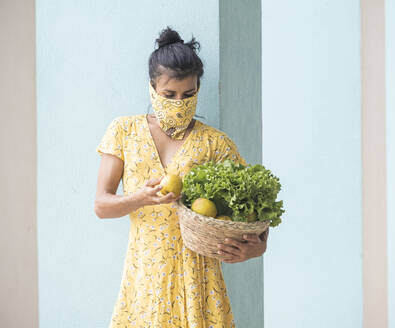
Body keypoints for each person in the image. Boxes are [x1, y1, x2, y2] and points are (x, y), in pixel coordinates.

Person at [94, 26, 269, 327]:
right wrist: (140, 198)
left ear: (199, 88)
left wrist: (260, 245)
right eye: (169, 94)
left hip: (200, 280)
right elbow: (101, 205)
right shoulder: (124, 131)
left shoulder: (216, 143)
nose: (179, 102)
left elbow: (253, 206)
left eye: (188, 94)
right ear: (152, 88)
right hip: (145, 275)